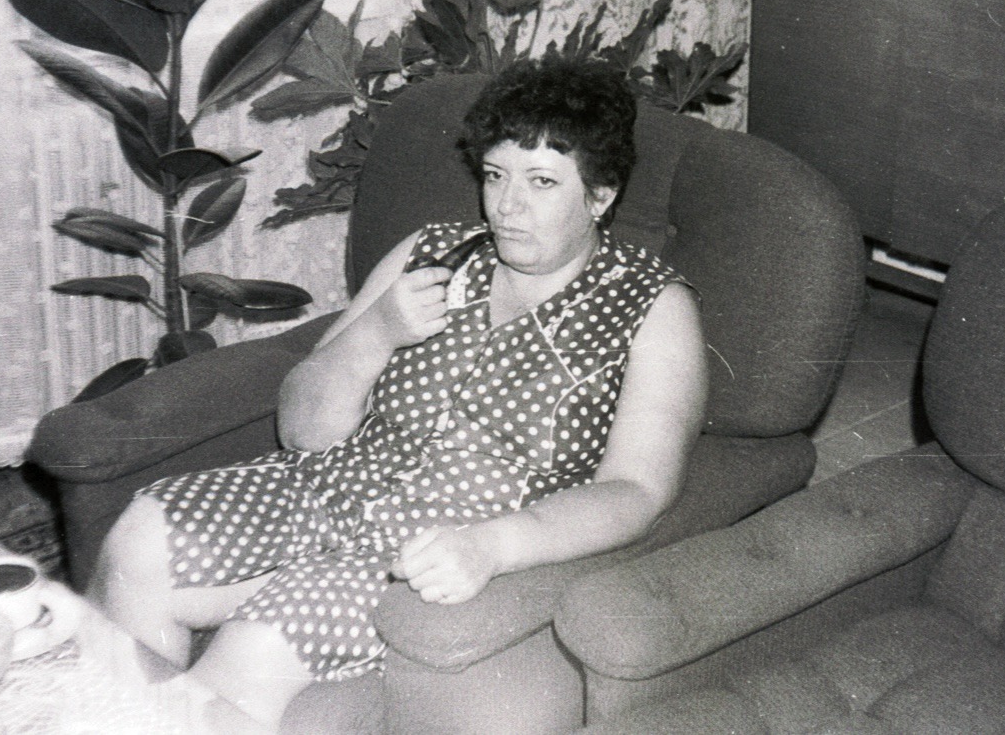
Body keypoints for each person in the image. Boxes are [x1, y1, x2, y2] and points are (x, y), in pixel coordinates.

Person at [92, 58, 708, 732]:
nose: (506, 205)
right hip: (322, 490)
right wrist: (376, 332)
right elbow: (301, 431)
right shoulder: (436, 251)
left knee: (254, 654)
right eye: (496, 175)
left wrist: (495, 546)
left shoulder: (650, 305)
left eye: (541, 182)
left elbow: (637, 490)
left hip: (425, 548)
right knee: (138, 539)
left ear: (600, 195)